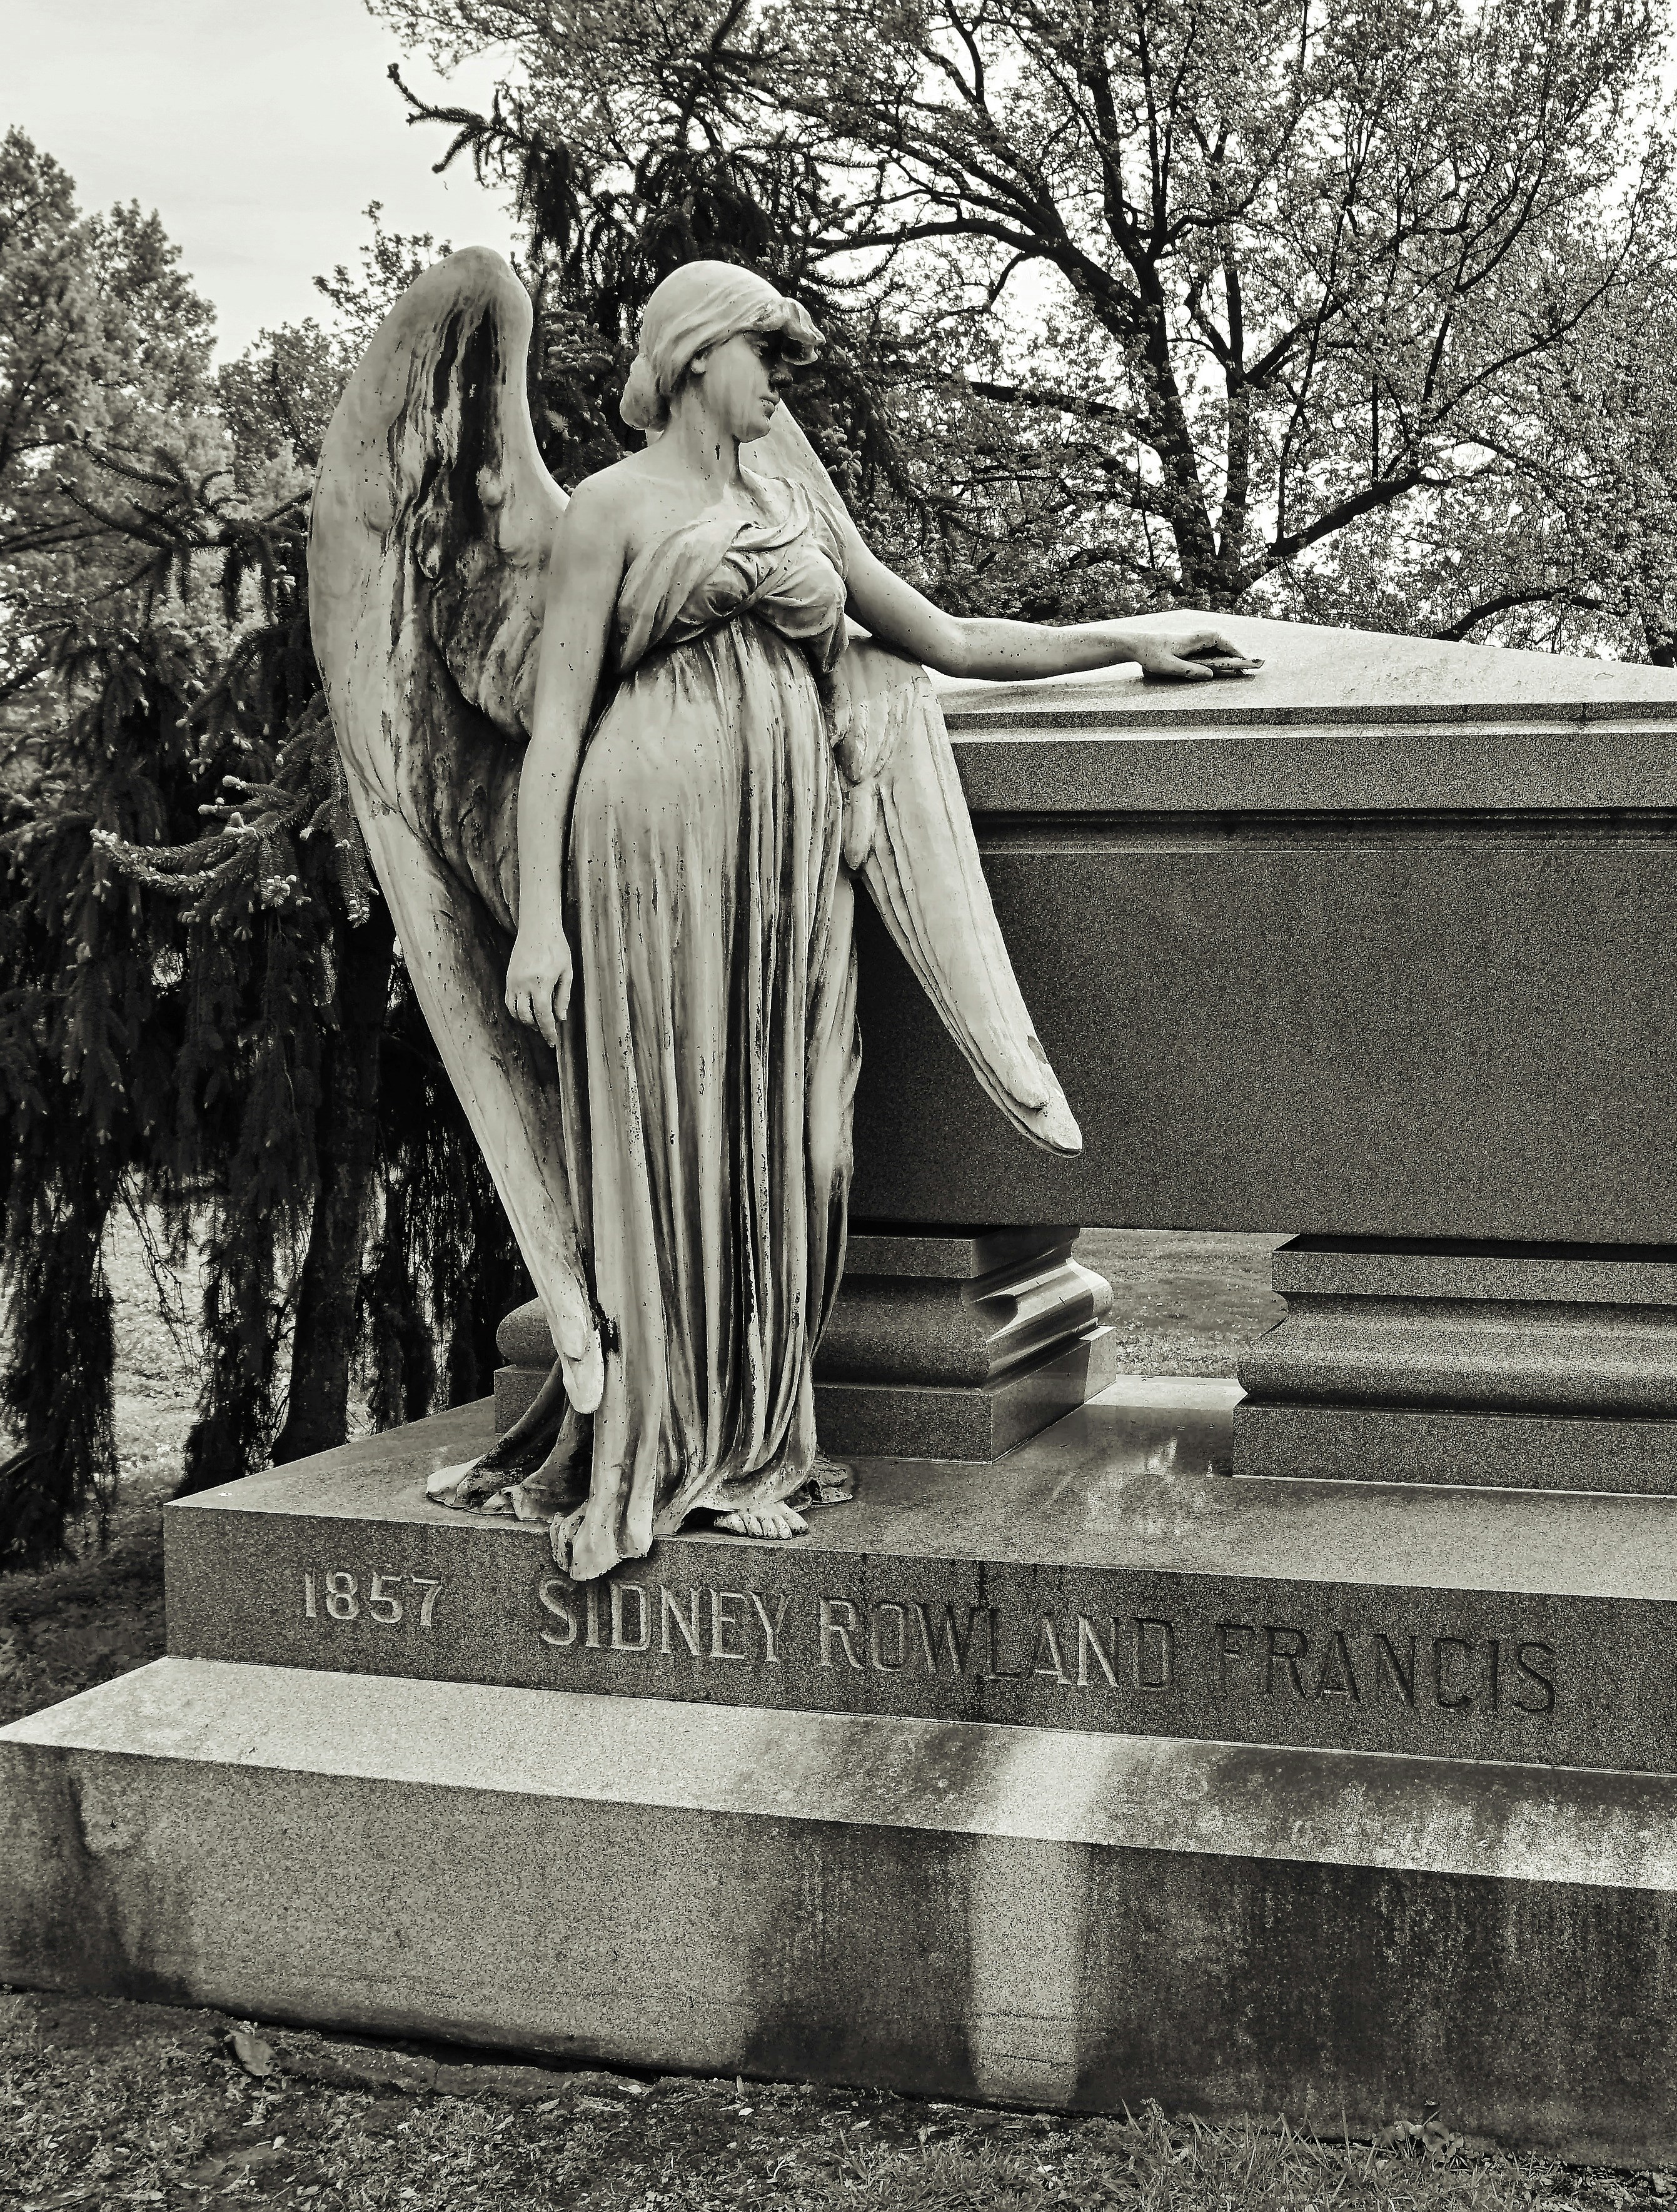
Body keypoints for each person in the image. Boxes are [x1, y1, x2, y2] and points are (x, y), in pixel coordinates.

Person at [476, 260, 1249, 1561]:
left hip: (785, 858)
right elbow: (552, 734)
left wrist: (1132, 635)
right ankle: (682, 1440)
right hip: (652, 843)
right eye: (766, 357)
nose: (780, 383)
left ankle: (757, 1428)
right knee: (677, 1126)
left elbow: (947, 640)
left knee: (796, 1143)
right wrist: (541, 924)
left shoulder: (792, 505)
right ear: (700, 357)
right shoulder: (607, 510)